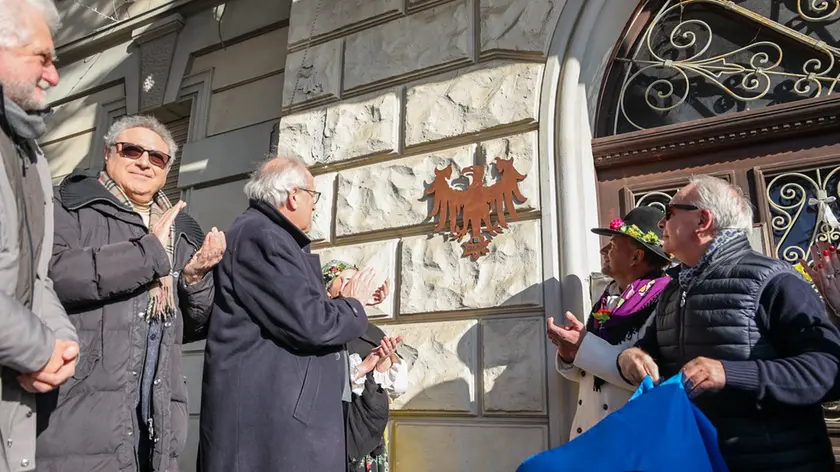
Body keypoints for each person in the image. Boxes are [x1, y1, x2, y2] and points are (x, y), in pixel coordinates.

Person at [38, 115, 224, 472]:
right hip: (79, 412)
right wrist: (147, 253)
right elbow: (55, 275)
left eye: (157, 157)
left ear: (167, 169)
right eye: (132, 150)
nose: (144, 161)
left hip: (155, 421)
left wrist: (195, 278)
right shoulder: (68, 204)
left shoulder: (181, 228)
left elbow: (196, 326)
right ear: (109, 153)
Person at [618, 175, 840, 471]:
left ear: (703, 220)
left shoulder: (774, 280)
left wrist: (729, 373)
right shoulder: (674, 289)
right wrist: (630, 357)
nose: (661, 223)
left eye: (669, 213)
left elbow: (828, 371)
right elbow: (647, 349)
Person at [199, 156, 382, 472]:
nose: (315, 206)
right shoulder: (263, 236)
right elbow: (313, 323)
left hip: (278, 428)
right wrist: (354, 304)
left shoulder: (267, 235)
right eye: (314, 196)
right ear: (293, 195)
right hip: (273, 432)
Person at [0, 1, 80, 470]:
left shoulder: (32, 153)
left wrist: (61, 346)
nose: (53, 76)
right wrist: (39, 348)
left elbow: (37, 276)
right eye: (42, 57)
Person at [546, 206, 671, 439]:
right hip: (592, 432)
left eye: (613, 245)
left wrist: (583, 345)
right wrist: (569, 354)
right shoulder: (608, 296)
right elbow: (589, 375)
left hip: (631, 436)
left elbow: (645, 377)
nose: (604, 250)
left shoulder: (665, 299)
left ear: (636, 257)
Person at [322, 260, 413, 472]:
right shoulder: (326, 330)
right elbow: (327, 381)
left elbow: (395, 387)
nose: (354, 284)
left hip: (371, 437)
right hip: (338, 434)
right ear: (328, 291)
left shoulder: (371, 331)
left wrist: (383, 362)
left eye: (357, 279)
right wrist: (364, 366)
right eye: (345, 280)